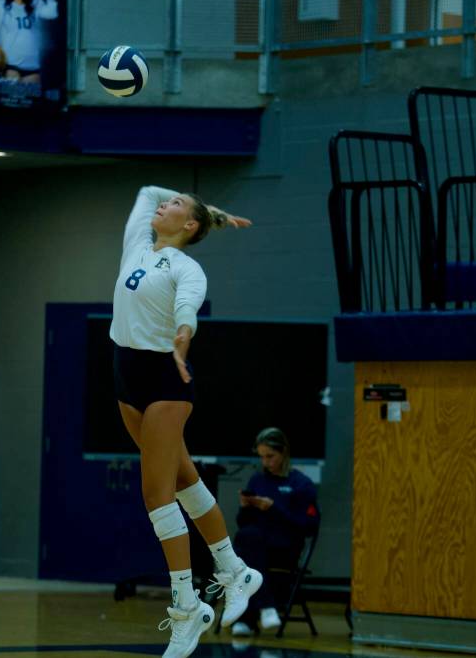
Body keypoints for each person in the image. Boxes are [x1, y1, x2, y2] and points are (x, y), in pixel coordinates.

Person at [110, 185, 259, 658]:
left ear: (188, 226)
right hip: (125, 372)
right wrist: (215, 211)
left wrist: (182, 339)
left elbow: (186, 309)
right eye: (168, 202)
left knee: (157, 494)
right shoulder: (139, 239)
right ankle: (235, 570)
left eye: (175, 206)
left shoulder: (187, 267)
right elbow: (148, 189)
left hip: (165, 378)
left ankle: (187, 605)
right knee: (183, 478)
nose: (163, 205)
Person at [230, 428, 319, 637]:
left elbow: (307, 526)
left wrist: (273, 508)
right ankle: (266, 607)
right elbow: (243, 523)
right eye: (262, 457)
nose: (266, 462)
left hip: (285, 546)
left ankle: (247, 618)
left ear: (284, 452)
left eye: (270, 456)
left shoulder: (301, 484)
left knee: (245, 548)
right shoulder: (257, 480)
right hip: (257, 544)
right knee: (247, 538)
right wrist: (245, 506)